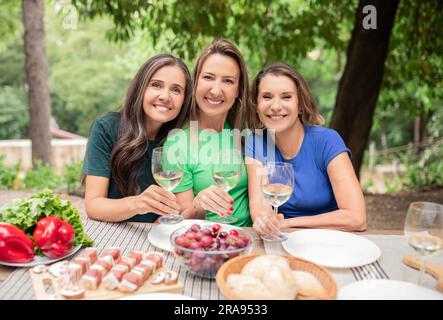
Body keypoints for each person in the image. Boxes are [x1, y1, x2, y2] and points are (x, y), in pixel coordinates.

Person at [245, 62, 366, 235]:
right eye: (267, 97)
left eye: (286, 97)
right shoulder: (256, 143)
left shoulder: (327, 141)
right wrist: (264, 222)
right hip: (284, 240)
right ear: (256, 105)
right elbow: (259, 206)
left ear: (300, 105)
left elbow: (357, 218)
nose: (276, 106)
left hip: (331, 239)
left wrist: (288, 224)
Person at [82, 54, 192, 222]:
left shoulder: (179, 140)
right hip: (112, 234)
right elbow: (93, 205)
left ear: (184, 100)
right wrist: (138, 203)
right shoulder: (106, 128)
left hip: (155, 238)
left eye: (176, 90)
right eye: (156, 85)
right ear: (141, 88)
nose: (165, 96)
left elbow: (181, 208)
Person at [164, 39, 252, 227]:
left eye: (228, 81)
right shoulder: (177, 144)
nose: (216, 90)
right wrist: (199, 204)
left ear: (238, 90)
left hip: (249, 239)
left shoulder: (247, 136)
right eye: (208, 77)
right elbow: (181, 221)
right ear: (195, 82)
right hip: (206, 240)